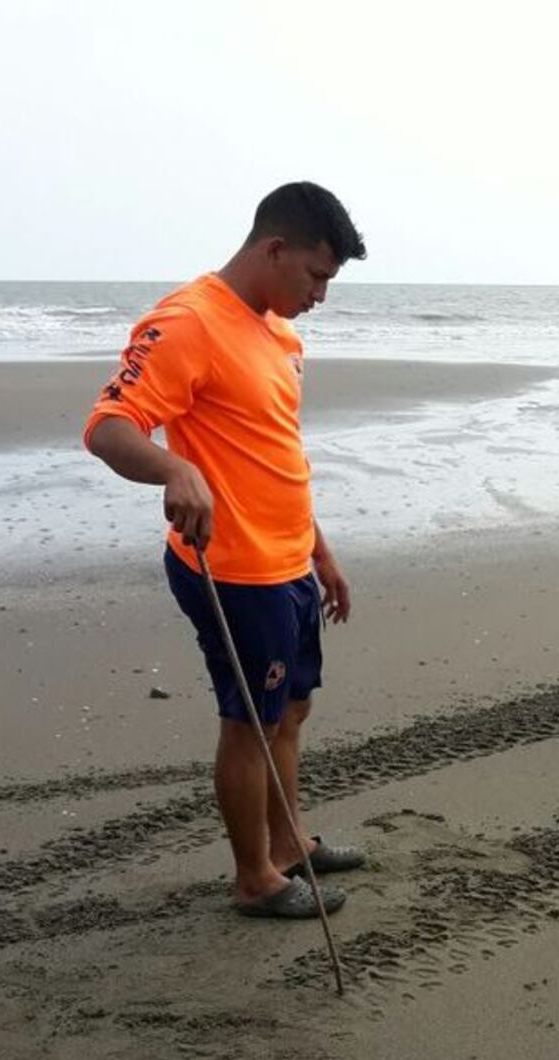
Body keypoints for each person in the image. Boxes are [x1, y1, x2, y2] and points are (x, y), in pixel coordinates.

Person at [84, 182, 367, 918]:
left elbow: (277, 454)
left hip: (289, 562)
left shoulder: (280, 333)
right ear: (275, 249)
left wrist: (321, 553)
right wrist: (176, 469)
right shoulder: (187, 322)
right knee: (251, 722)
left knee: (293, 710)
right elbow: (110, 425)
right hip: (233, 569)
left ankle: (289, 845)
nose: (320, 297)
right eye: (316, 277)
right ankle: (255, 878)